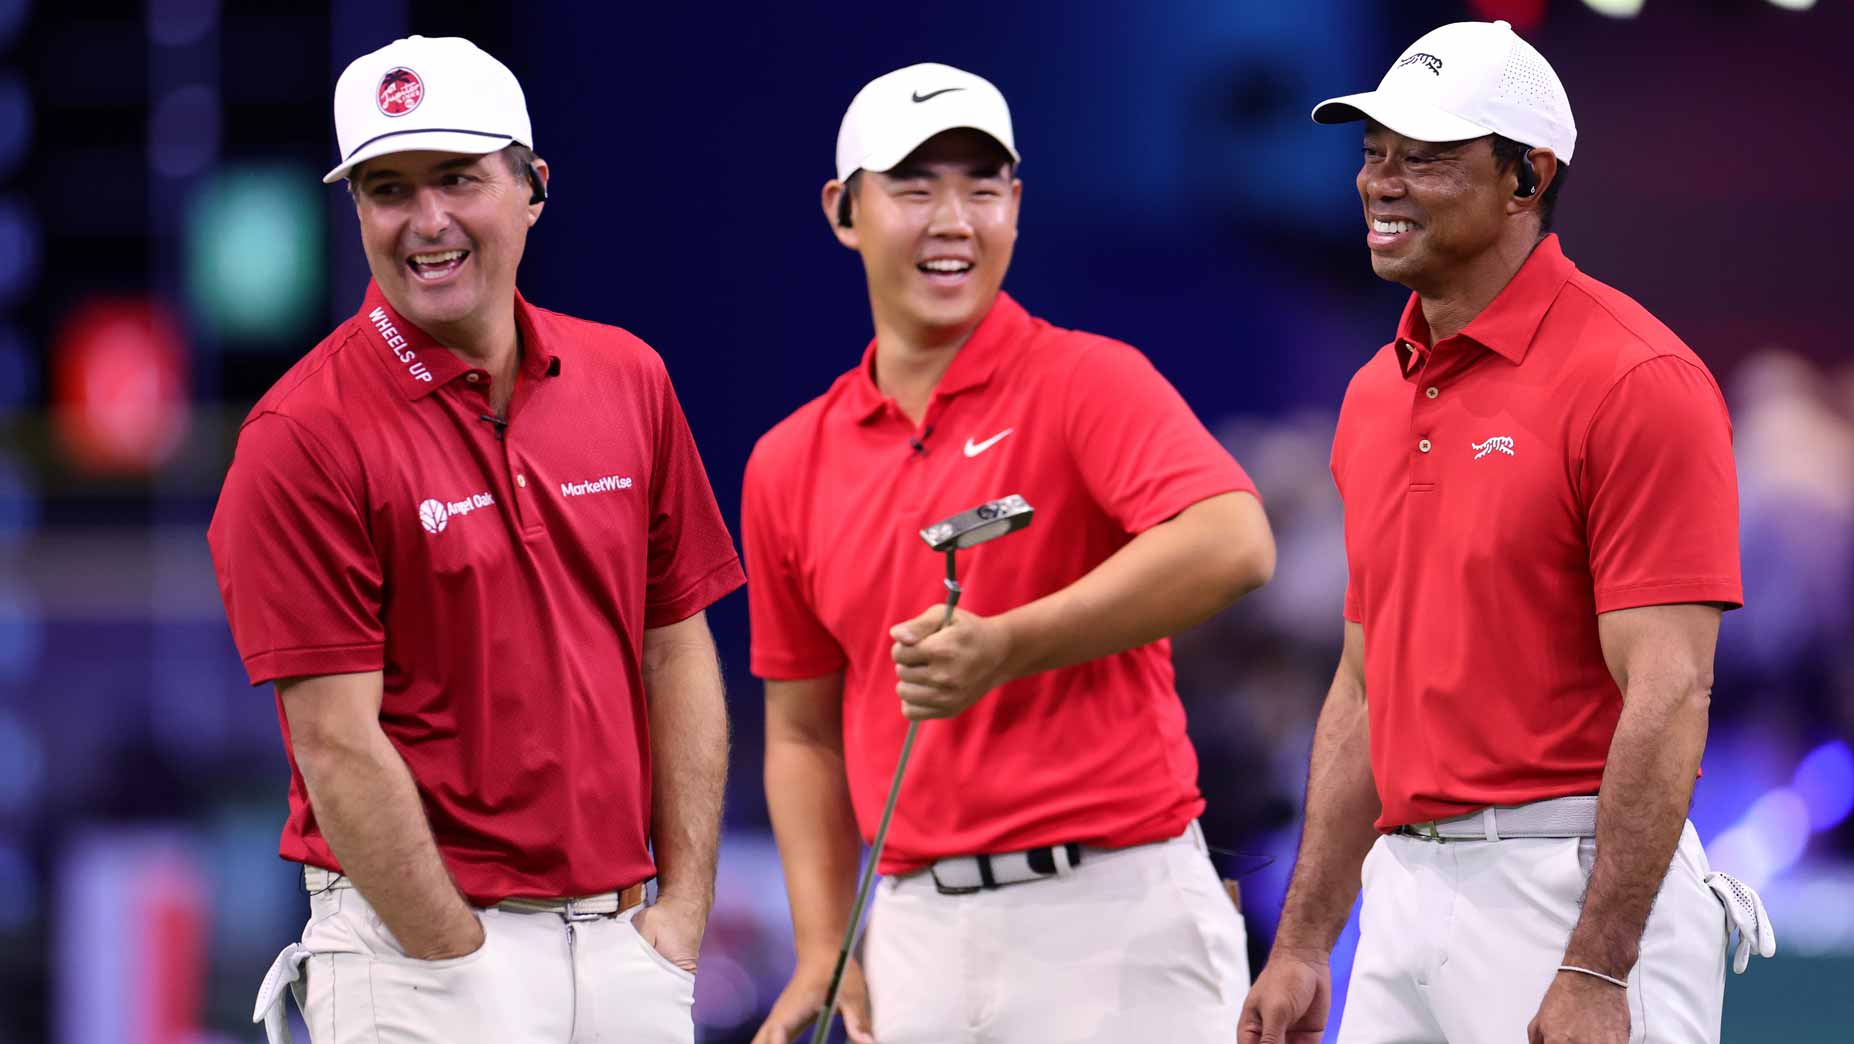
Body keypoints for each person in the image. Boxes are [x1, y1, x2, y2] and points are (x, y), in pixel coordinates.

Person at [1238, 20, 1773, 1044]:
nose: (1380, 182)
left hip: (1568, 896)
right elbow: (1363, 685)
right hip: (1400, 894)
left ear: (1526, 177)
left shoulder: (1636, 382)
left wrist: (1594, 966)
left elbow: (1668, 691)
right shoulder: (1370, 397)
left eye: (1425, 156)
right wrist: (1305, 942)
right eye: (1371, 152)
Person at [207, 35, 744, 1044]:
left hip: (625, 945)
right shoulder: (300, 437)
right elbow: (334, 740)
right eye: (386, 190)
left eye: (456, 178)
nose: (425, 222)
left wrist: (678, 918)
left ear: (533, 186)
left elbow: (674, 647)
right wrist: (451, 952)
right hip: (420, 963)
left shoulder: (628, 378)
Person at [742, 63, 1276, 1044]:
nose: (952, 218)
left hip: (1114, 913)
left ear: (1015, 207)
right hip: (909, 936)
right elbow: (801, 734)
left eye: (981, 187)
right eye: (912, 187)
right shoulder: (786, 461)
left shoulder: (1087, 381)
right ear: (842, 210)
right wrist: (825, 949)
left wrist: (1004, 647)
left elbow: (1231, 541)